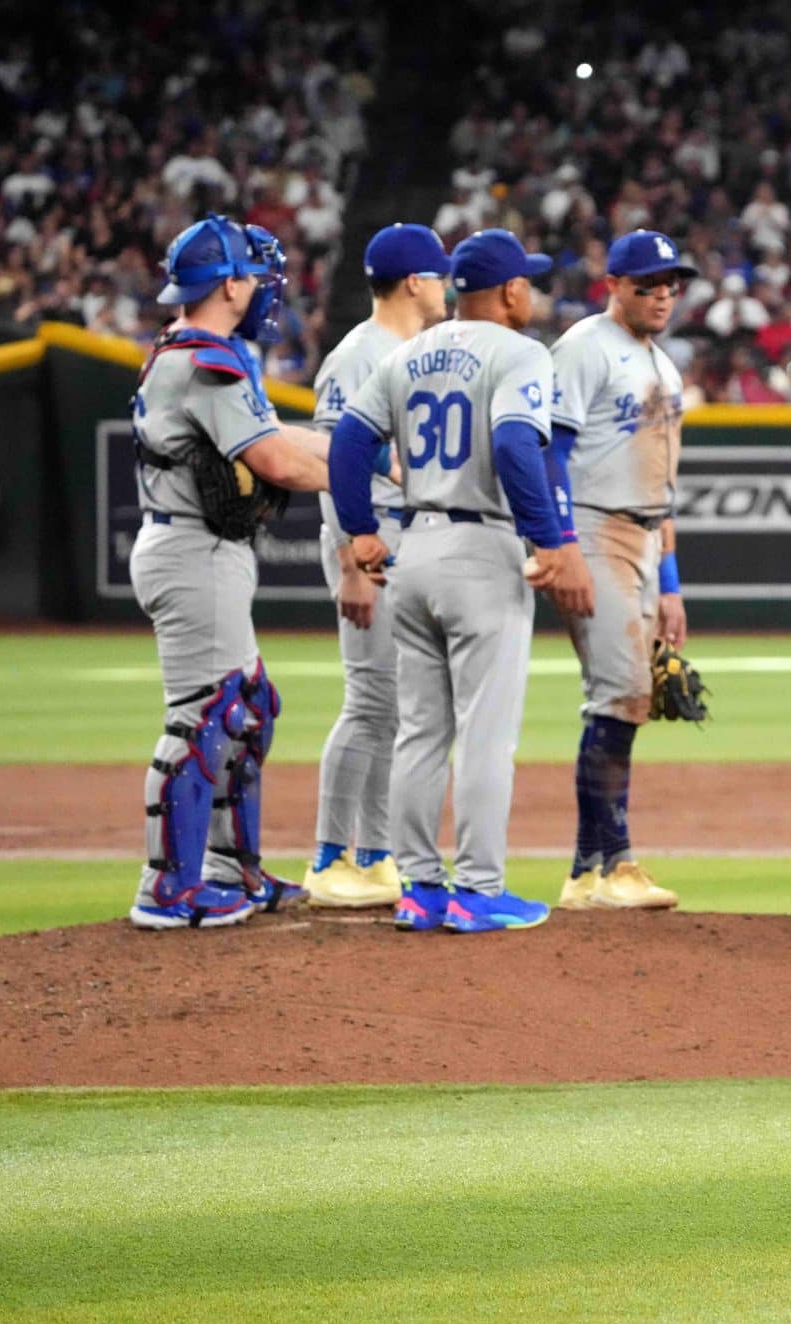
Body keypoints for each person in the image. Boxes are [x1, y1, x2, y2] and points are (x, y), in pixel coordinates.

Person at [328, 228, 593, 934]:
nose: (531, 292)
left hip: (412, 549)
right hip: (482, 549)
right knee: (484, 734)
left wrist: (359, 530)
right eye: (527, 281)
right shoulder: (521, 352)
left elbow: (349, 443)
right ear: (509, 292)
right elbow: (513, 443)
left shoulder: (406, 352)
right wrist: (551, 541)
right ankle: (478, 890)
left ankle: (418, 888)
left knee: (420, 730)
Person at [128, 214, 333, 930]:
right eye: (252, 273)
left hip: (200, 548)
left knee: (249, 710)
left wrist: (356, 452)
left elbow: (280, 440)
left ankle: (228, 869)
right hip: (193, 552)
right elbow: (276, 461)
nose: (261, 285)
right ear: (230, 283)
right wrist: (358, 476)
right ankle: (169, 887)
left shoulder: (201, 350)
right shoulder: (205, 359)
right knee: (204, 718)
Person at [302, 223, 452, 908]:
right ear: (415, 281)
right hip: (370, 543)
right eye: (441, 274)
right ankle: (330, 855)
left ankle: (376, 853)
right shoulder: (357, 355)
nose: (448, 285)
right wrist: (350, 562)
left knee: (396, 708)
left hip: (405, 541)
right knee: (369, 702)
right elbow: (338, 463)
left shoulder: (414, 352)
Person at [548, 229, 694, 912]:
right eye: (648, 284)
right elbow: (552, 449)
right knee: (621, 689)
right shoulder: (583, 347)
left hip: (643, 535)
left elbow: (664, 484)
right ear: (614, 285)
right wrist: (561, 543)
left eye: (671, 284)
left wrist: (670, 583)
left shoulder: (664, 364)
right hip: (595, 527)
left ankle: (594, 868)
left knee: (631, 696)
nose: (662, 294)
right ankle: (609, 865)